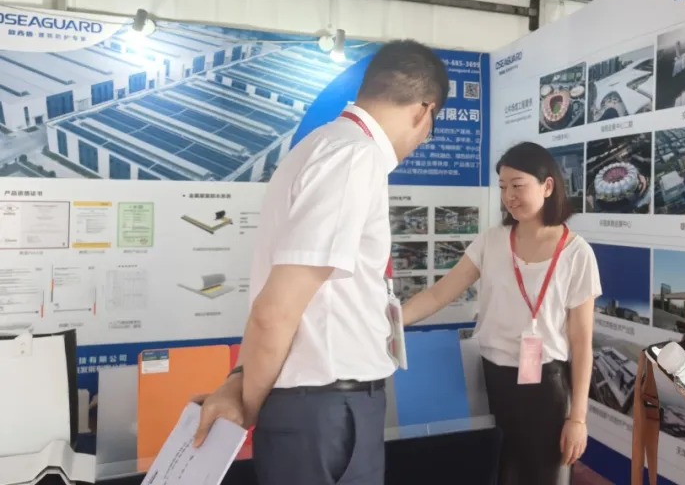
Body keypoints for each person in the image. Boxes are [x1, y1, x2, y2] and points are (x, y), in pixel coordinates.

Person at [190, 39, 449, 485]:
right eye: (431, 127)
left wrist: (242, 378)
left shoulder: (318, 147)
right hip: (327, 413)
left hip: (315, 409)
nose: (423, 139)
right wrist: (248, 406)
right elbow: (276, 310)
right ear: (425, 111)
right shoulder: (354, 157)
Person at [403, 141, 601, 485]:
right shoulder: (492, 241)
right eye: (503, 187)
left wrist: (578, 418)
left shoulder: (576, 253)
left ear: (548, 186)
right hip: (490, 379)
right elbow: (438, 294)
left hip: (545, 387)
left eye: (518, 185)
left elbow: (582, 343)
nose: (509, 196)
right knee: (495, 473)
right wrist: (389, 321)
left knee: (541, 476)